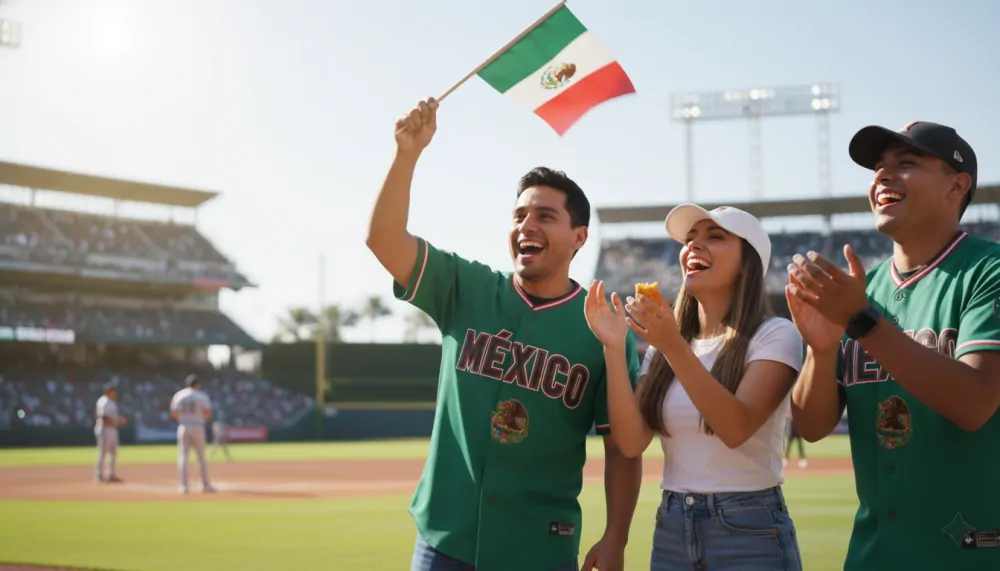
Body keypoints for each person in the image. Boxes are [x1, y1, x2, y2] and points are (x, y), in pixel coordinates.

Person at [366, 97, 643, 571]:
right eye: (519, 216)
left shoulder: (603, 325)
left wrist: (616, 535)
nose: (526, 226)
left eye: (544, 216)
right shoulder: (467, 288)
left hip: (540, 545)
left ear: (580, 237)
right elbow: (384, 241)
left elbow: (623, 447)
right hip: (446, 539)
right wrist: (407, 155)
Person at [787, 121, 1000, 570]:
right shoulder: (863, 289)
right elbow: (811, 425)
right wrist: (821, 351)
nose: (883, 176)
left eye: (906, 164)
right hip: (872, 553)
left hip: (970, 554)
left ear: (957, 184)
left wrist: (860, 320)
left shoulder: (988, 271)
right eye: (878, 168)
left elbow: (975, 402)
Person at [584, 204, 805, 571]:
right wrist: (612, 348)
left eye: (714, 237)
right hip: (671, 527)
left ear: (747, 264)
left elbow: (735, 427)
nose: (692, 247)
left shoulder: (775, 334)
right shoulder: (664, 345)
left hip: (749, 529)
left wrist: (672, 346)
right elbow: (632, 441)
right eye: (689, 240)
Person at [169, 374, 216, 494]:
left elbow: (174, 414)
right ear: (197, 384)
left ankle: (183, 486)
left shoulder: (179, 395)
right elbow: (208, 414)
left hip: (183, 426)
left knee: (183, 456)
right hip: (197, 427)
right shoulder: (201, 396)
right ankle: (205, 484)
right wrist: (197, 416)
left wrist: (185, 417)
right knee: (201, 457)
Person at [94, 381, 126, 484]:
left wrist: (118, 420)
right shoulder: (103, 402)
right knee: (102, 453)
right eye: (113, 391)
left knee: (113, 453)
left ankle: (111, 474)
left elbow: (112, 417)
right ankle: (99, 475)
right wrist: (116, 421)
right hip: (104, 429)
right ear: (108, 391)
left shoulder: (112, 402)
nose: (115, 393)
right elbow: (104, 418)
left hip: (112, 429)